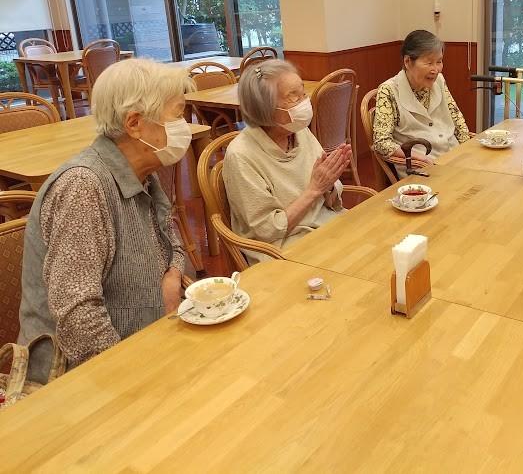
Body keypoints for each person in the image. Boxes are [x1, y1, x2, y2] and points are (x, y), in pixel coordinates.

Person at [18, 59, 193, 381]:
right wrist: (133, 376)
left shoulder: (144, 173)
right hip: (84, 377)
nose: (186, 127)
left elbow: (173, 239)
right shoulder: (83, 187)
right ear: (135, 123)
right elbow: (78, 316)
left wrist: (173, 274)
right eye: (178, 114)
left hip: (150, 337)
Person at [222, 59, 350, 260]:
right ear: (264, 107)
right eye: (293, 97)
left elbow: (330, 201)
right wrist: (314, 189)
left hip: (327, 227)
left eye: (303, 93)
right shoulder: (241, 155)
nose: (305, 102)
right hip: (283, 249)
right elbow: (266, 231)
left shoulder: (298, 131)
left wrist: (329, 183)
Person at [372, 30, 471, 172]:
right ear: (407, 61)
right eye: (429, 62)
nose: (436, 70)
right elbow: (381, 143)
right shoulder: (389, 90)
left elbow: (458, 120)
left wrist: (468, 152)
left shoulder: (439, 81)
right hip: (422, 168)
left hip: (454, 158)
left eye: (439, 62)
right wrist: (419, 158)